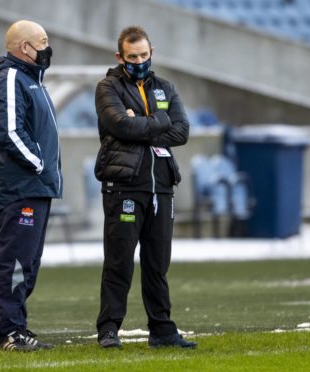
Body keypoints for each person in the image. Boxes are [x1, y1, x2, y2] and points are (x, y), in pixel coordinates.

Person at [94, 25, 197, 350]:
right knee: (119, 261)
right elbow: (120, 125)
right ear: (120, 57)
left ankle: (162, 331)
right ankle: (109, 329)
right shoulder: (107, 87)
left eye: (143, 55)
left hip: (162, 186)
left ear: (152, 53)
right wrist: (156, 121)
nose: (139, 61)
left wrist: (141, 123)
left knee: (157, 263)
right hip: (124, 186)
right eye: (132, 56)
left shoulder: (166, 87)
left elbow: (181, 131)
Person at [0, 20, 62, 352]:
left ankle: (15, 327)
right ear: (23, 48)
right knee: (16, 260)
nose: (47, 48)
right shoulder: (12, 78)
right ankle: (9, 332)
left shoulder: (33, 80)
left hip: (36, 187)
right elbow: (9, 133)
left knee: (27, 263)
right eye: (42, 42)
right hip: (21, 188)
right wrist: (39, 164)